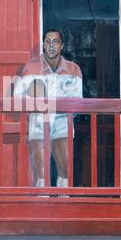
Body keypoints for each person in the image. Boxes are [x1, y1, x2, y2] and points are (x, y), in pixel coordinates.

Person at [15, 28, 83, 188]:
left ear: (62, 45)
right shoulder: (31, 67)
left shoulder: (73, 69)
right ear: (44, 44)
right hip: (39, 122)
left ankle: (63, 203)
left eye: (55, 41)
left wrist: (64, 112)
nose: (51, 45)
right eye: (48, 41)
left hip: (62, 123)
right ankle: (42, 205)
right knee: (41, 171)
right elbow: (18, 97)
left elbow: (78, 100)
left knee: (64, 169)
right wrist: (34, 97)